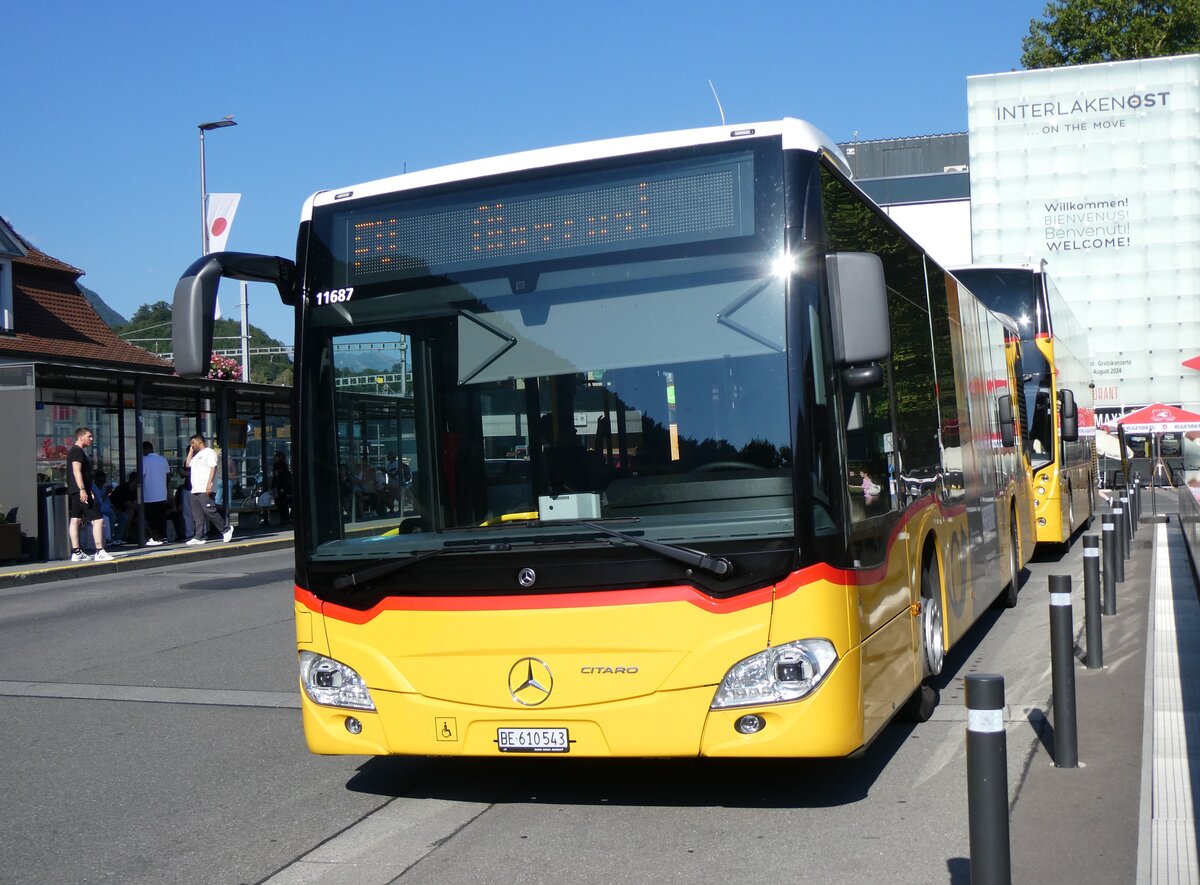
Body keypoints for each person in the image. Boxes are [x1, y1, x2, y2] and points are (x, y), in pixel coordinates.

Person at [66, 426, 113, 562]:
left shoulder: (74, 451)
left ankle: (77, 552)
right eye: (89, 436)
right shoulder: (77, 451)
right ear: (81, 437)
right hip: (81, 492)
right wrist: (83, 489)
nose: (91, 439)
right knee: (98, 519)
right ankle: (100, 550)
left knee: (76, 519)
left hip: (75, 492)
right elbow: (76, 471)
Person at [184, 433, 233, 545]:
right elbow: (187, 464)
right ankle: (199, 536)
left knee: (210, 511)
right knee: (197, 514)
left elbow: (213, 467)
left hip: (204, 488)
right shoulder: (196, 455)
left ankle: (226, 529)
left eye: (193, 443)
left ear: (200, 442)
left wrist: (209, 484)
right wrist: (191, 451)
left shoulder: (209, 452)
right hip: (195, 489)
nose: (192, 445)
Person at [141, 440, 170, 545]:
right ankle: (163, 536)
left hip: (149, 494)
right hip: (162, 493)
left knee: (152, 518)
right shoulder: (163, 459)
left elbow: (140, 477)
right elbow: (168, 477)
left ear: (144, 449)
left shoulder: (144, 461)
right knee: (161, 517)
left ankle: (155, 538)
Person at [270, 451, 292, 524]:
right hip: (277, 487)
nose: (274, 457)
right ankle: (283, 518)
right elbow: (275, 477)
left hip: (282, 487)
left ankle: (286, 519)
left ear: (280, 457)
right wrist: (273, 486)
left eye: (276, 456)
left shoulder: (283, 465)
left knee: (282, 503)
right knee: (278, 502)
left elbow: (284, 478)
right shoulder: (276, 465)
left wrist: (283, 487)